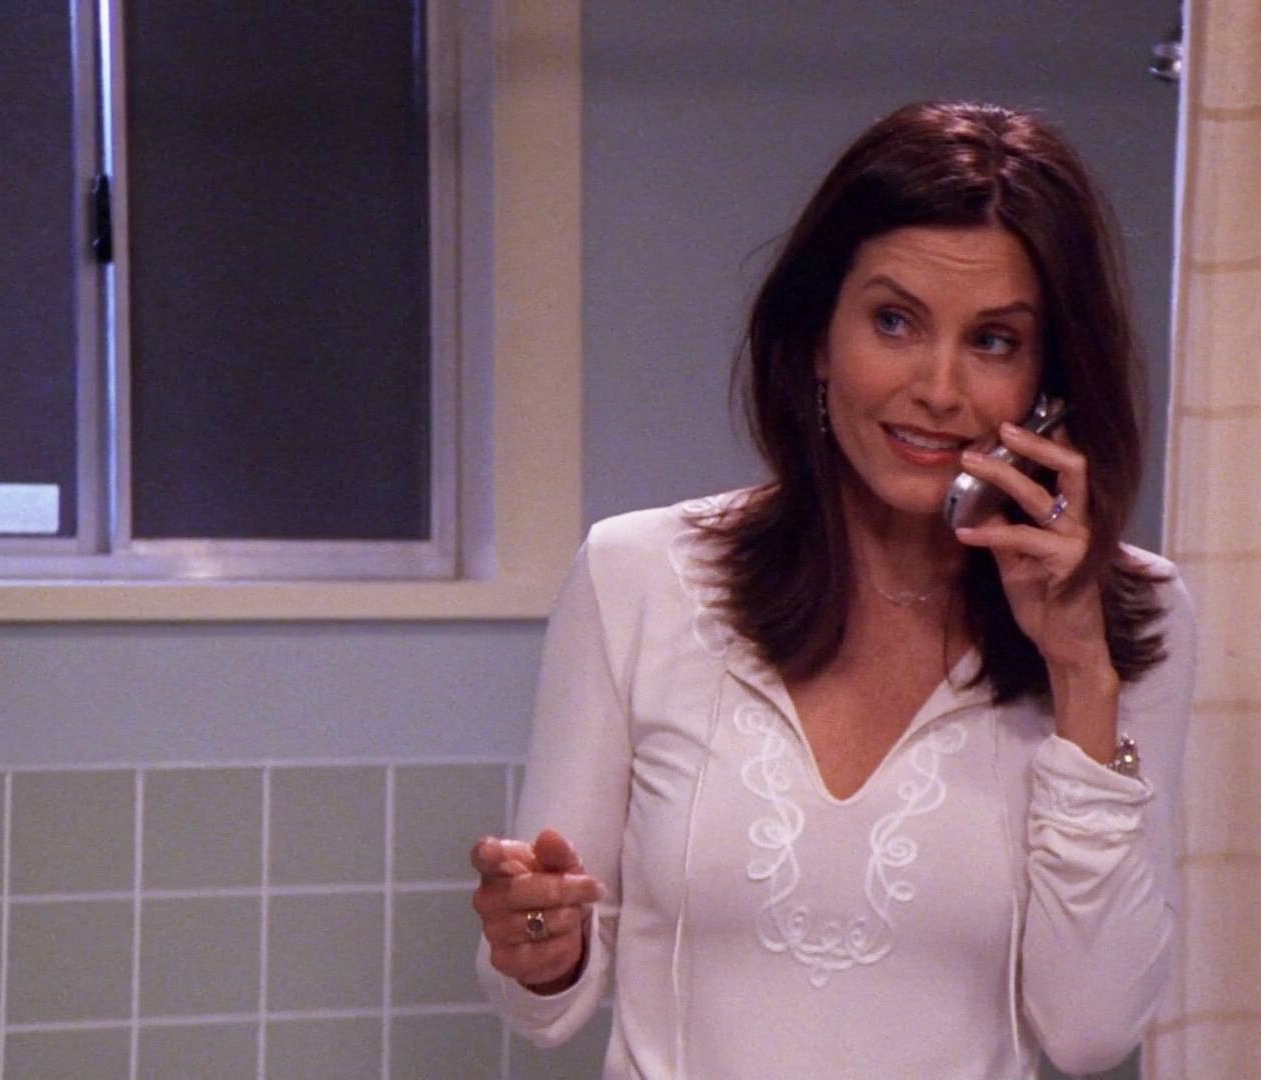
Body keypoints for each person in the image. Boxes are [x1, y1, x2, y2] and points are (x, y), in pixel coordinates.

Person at [471, 100, 1193, 1079]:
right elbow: (539, 987)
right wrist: (538, 948)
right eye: (894, 322)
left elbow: (1092, 1032)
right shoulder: (637, 575)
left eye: (993, 342)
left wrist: (1079, 675)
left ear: (1048, 383)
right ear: (818, 336)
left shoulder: (1133, 618)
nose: (939, 388)